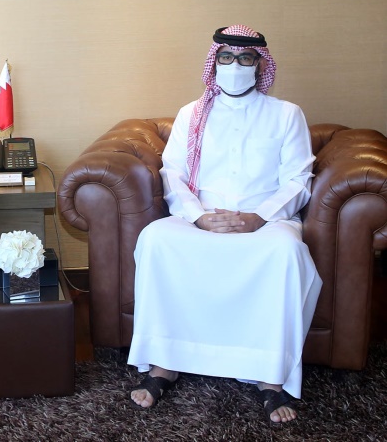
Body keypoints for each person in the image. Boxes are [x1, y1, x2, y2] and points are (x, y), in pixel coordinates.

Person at [127, 25, 322, 423]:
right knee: (155, 240)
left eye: (245, 58)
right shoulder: (191, 114)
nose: (235, 66)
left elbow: (298, 180)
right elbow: (173, 173)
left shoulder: (287, 114)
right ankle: (164, 363)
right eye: (226, 57)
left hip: (267, 219)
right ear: (214, 62)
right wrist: (199, 216)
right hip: (200, 215)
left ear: (260, 65)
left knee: (286, 252)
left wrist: (258, 217)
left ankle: (270, 378)